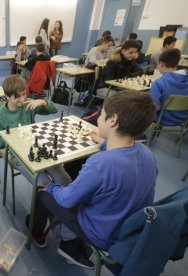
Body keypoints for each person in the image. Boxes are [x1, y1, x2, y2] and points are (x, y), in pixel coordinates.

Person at [32, 91, 157, 269]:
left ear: (112, 120)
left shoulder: (101, 163)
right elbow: (122, 159)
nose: (98, 116)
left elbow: (68, 199)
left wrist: (51, 187)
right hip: (129, 231)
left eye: (102, 113)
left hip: (101, 234)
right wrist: (103, 142)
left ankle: (57, 240)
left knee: (44, 194)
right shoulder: (147, 153)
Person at [0, 75, 71, 189]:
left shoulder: (28, 105)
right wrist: (15, 137)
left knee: (64, 180)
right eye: (17, 97)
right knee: (45, 186)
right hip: (18, 155)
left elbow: (54, 110)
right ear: (7, 96)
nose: (22, 99)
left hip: (38, 148)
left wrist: (43, 102)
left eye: (24, 94)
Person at [150, 48, 188, 125]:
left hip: (163, 119)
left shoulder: (158, 83)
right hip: (185, 118)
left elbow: (155, 107)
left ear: (161, 63)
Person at [75, 36, 115, 107]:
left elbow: (108, 61)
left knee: (103, 79)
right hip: (88, 72)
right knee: (96, 81)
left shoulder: (106, 52)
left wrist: (102, 62)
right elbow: (93, 61)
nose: (109, 47)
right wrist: (103, 62)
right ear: (103, 43)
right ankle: (86, 99)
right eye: (108, 45)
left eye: (111, 46)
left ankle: (95, 98)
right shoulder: (94, 50)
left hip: (99, 72)